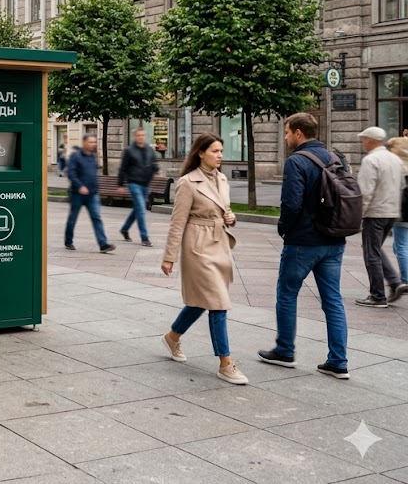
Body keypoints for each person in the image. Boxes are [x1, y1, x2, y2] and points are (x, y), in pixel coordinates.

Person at [258, 113, 351, 379]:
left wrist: (283, 227)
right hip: (334, 239)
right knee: (333, 300)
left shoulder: (296, 161)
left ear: (299, 133)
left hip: (303, 241)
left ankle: (285, 350)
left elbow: (292, 203)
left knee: (287, 293)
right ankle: (338, 361)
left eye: (287, 132)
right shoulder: (335, 158)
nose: (286, 137)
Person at [160, 132, 247, 385]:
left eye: (221, 151)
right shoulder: (188, 182)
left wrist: (231, 217)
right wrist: (169, 257)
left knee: (200, 302)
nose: (220, 156)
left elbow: (224, 208)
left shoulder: (222, 178)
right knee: (218, 303)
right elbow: (177, 222)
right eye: (215, 151)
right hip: (197, 246)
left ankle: (172, 336)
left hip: (219, 244)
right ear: (201, 153)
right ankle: (225, 363)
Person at [355, 126, 406, 307]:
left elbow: (365, 191)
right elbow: (401, 185)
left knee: (371, 254)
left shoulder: (371, 160)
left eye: (364, 139)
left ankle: (377, 296)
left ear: (370, 140)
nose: (363, 143)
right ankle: (395, 282)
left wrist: (359, 215)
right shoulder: (395, 159)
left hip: (375, 212)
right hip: (391, 212)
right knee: (374, 248)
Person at [64, 134, 115, 253]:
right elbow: (71, 173)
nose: (93, 144)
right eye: (91, 142)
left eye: (94, 142)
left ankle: (103, 244)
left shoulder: (92, 157)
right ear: (84, 143)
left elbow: (93, 174)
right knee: (73, 218)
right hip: (77, 194)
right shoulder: (75, 156)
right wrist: (80, 186)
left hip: (92, 194)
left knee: (96, 217)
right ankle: (68, 241)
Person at [117, 127, 159, 247]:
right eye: (139, 135)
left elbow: (153, 163)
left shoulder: (149, 150)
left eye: (143, 135)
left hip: (145, 185)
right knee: (141, 209)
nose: (141, 137)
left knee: (137, 210)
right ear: (135, 137)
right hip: (133, 183)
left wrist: (157, 170)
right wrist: (120, 184)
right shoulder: (129, 151)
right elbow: (122, 169)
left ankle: (124, 229)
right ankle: (144, 237)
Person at [388, 136, 408, 292]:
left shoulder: (400, 168)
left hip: (402, 212)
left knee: (401, 246)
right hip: (402, 212)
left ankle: (405, 280)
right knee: (398, 246)